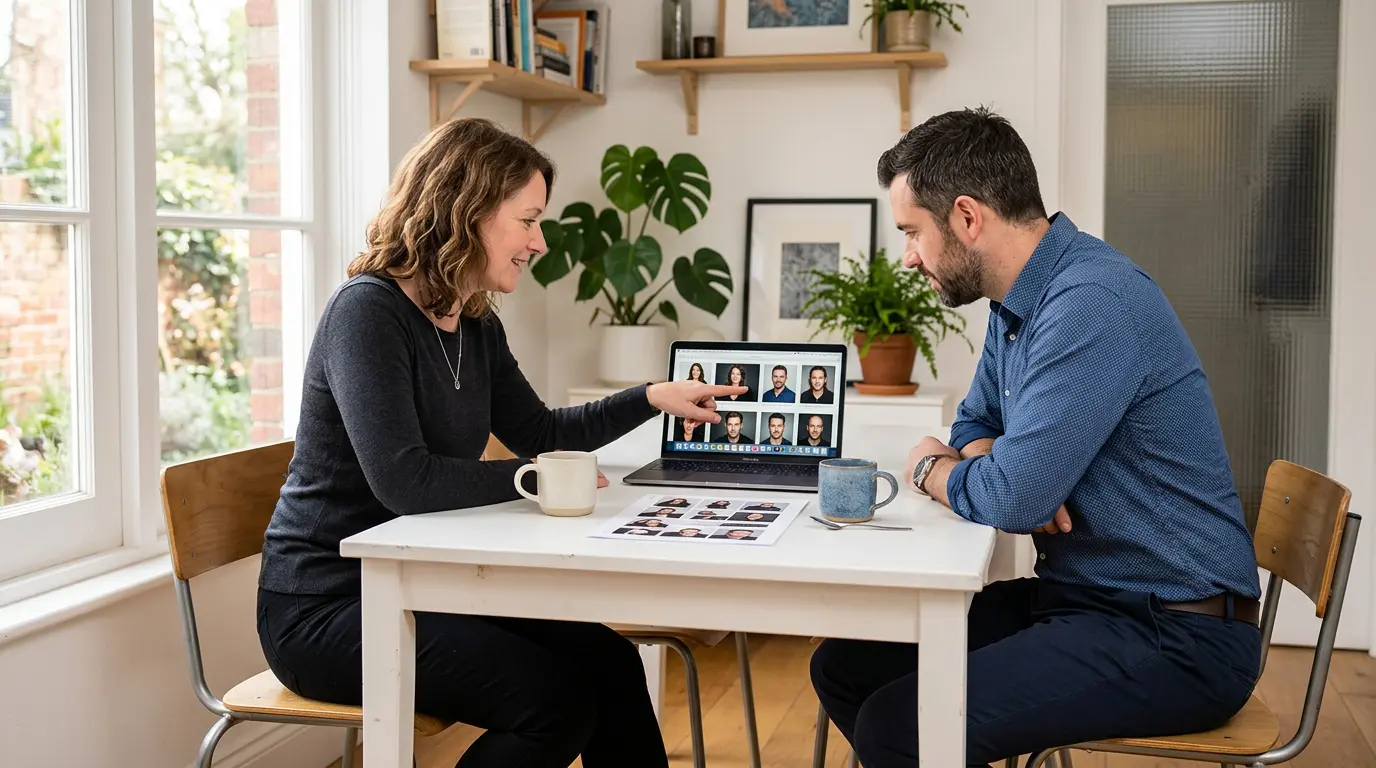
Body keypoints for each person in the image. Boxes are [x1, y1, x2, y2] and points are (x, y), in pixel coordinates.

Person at [255, 117, 746, 768]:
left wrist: (651, 397)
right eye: (528, 220)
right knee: (554, 706)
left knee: (611, 663)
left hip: (422, 583)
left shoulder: (474, 321)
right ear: (470, 212)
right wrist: (535, 478)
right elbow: (405, 481)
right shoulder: (367, 312)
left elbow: (542, 433)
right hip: (328, 605)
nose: (539, 242)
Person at [809, 107, 1262, 768]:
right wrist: (1002, 464)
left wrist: (931, 468)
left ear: (967, 217)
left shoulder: (1090, 302)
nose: (908, 257)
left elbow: (1015, 498)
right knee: (844, 667)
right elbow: (976, 425)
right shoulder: (1017, 301)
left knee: (899, 726)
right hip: (1083, 599)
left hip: (1174, 631)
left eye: (912, 232)